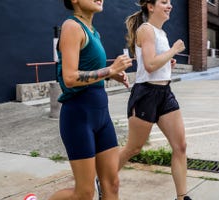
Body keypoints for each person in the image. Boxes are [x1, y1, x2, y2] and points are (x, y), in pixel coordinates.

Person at [49, 0, 132, 200]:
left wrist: (113, 75)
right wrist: (110, 70)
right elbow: (69, 78)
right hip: (78, 116)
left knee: (112, 184)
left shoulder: (93, 31)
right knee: (84, 193)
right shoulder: (72, 27)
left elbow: (89, 69)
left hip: (101, 115)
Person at [118, 0, 191, 200]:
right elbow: (150, 65)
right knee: (134, 148)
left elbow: (155, 62)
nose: (170, 5)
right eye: (164, 2)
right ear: (151, 6)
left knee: (180, 146)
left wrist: (168, 60)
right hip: (146, 94)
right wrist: (174, 50)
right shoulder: (146, 30)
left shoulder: (162, 33)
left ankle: (181, 197)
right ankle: (100, 177)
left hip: (165, 92)